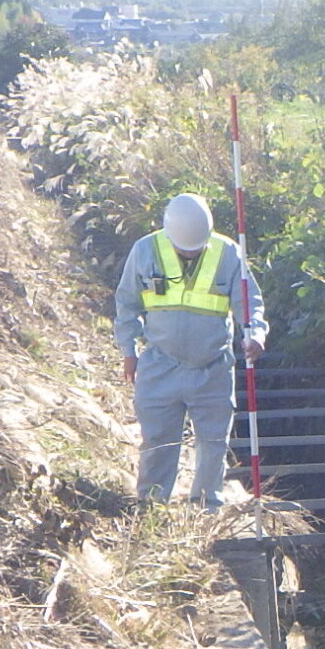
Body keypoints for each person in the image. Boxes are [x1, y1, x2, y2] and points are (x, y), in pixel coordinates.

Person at [112, 192, 267, 510]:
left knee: (213, 442)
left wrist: (256, 333)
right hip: (160, 363)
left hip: (212, 367)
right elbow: (127, 302)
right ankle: (151, 504)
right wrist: (128, 350)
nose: (188, 253)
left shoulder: (228, 253)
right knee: (157, 440)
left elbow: (249, 301)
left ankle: (206, 505)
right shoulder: (145, 251)